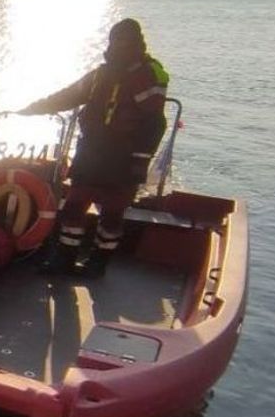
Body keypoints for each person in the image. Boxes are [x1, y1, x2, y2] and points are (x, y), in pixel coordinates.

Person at [20, 18, 170, 277]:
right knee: (75, 204)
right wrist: (34, 109)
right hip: (92, 149)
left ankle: (99, 263)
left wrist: (140, 161)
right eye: (116, 39)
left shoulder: (146, 76)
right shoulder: (101, 74)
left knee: (112, 211)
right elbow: (68, 96)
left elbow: (155, 123)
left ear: (137, 42)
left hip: (124, 154)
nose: (120, 45)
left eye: (126, 40)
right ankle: (65, 258)